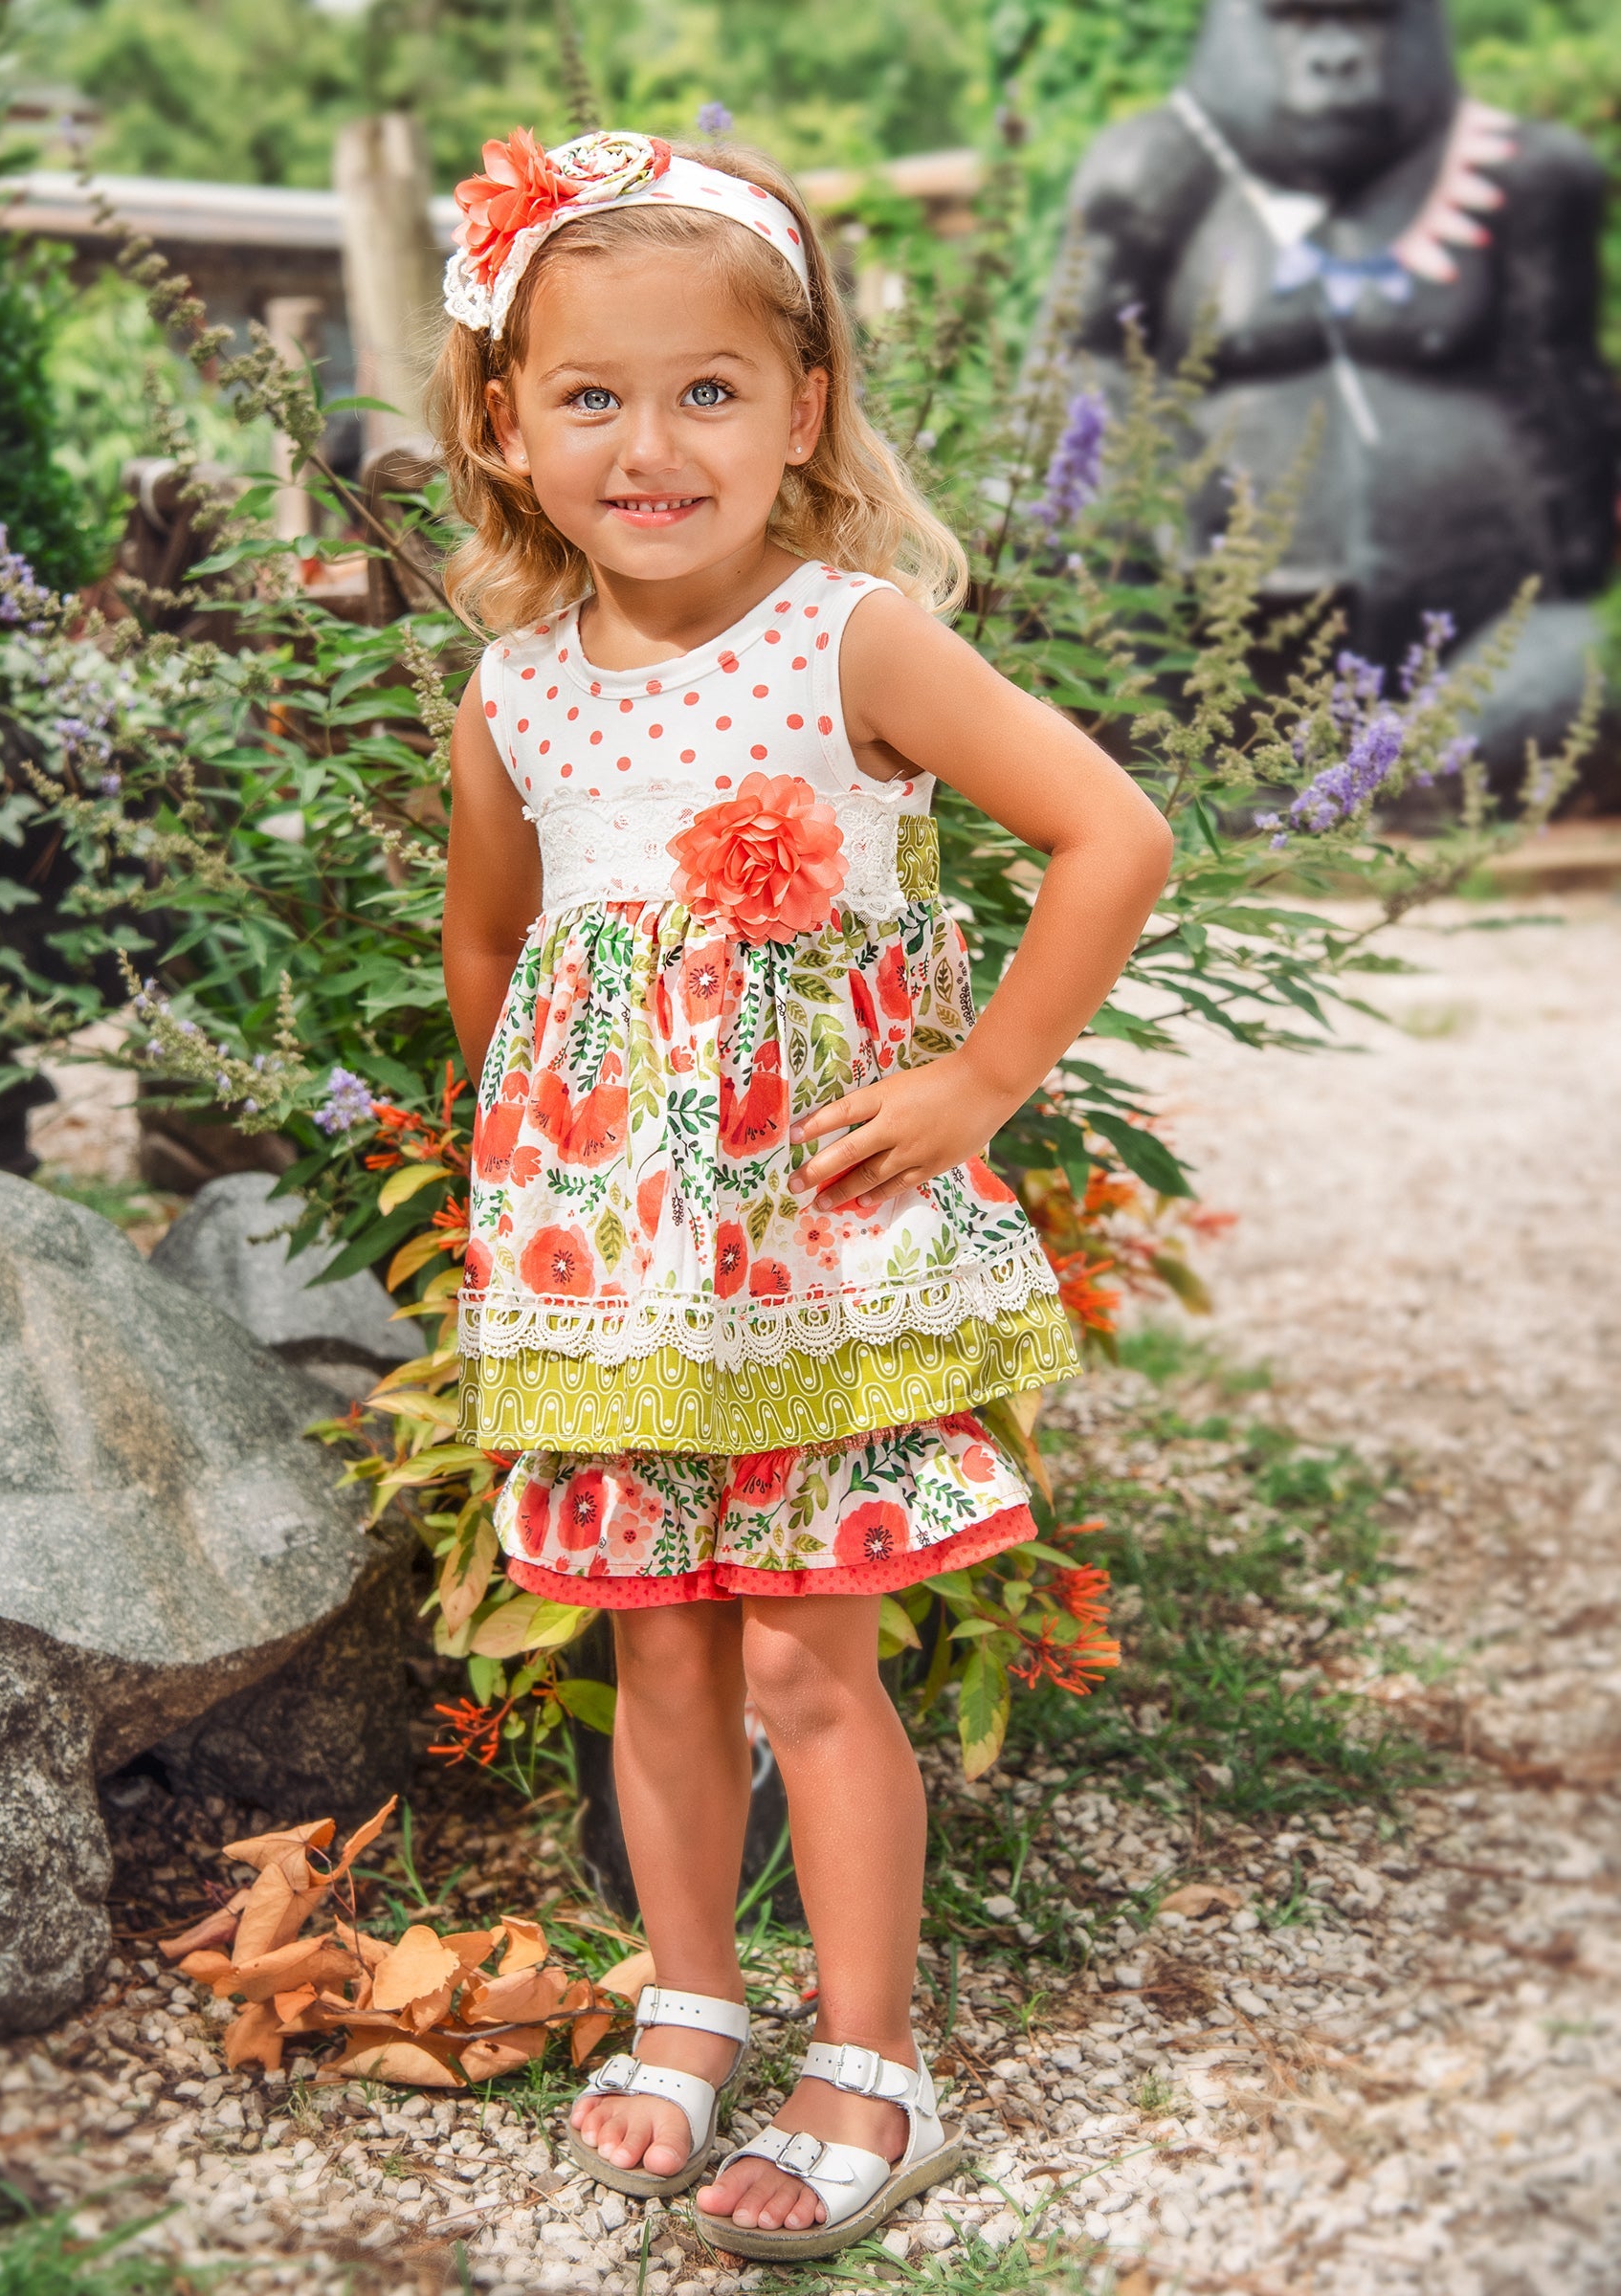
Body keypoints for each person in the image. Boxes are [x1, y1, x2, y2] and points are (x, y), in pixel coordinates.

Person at [433, 126, 1171, 2263]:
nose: (647, 444)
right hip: (614, 1270)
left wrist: (982, 1076)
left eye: (707, 390)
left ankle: (871, 2062)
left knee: (805, 1666)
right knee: (648, 1652)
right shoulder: (514, 694)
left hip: (808, 1266)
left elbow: (1107, 835)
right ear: (507, 422)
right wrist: (531, 1155)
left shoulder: (852, 640)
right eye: (589, 395)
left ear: (803, 411)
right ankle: (690, 2001)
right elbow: (493, 947)